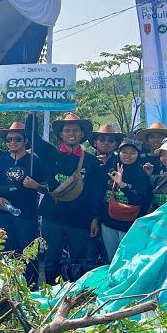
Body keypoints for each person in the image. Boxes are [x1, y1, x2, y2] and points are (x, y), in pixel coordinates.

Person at [33, 113, 99, 283]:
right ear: (61, 134)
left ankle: (74, 297)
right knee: (50, 260)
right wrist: (32, 112)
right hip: (52, 216)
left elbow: (95, 192)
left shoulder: (91, 161)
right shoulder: (50, 154)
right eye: (67, 130)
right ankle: (51, 297)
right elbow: (32, 136)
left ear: (82, 134)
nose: (72, 133)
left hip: (80, 219)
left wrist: (95, 218)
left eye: (76, 130)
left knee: (78, 260)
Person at [0, 122, 50, 282]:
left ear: (25, 141)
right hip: (2, 214)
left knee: (27, 253)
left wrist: (35, 186)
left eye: (17, 139)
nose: (12, 143)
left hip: (27, 215)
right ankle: (6, 289)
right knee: (4, 252)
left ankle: (29, 287)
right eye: (8, 140)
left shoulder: (35, 161)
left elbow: (47, 188)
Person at [99, 138, 151, 258]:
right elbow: (99, 194)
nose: (128, 155)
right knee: (111, 259)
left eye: (133, 152)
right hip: (108, 223)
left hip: (130, 225)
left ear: (138, 155)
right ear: (119, 152)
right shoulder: (109, 169)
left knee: (128, 259)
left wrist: (122, 185)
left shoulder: (141, 174)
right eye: (125, 152)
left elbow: (140, 200)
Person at [85, 124, 124, 263]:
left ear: (116, 144)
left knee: (111, 258)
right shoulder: (86, 160)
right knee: (88, 256)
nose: (106, 143)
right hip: (87, 214)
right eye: (102, 139)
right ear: (95, 142)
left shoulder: (121, 162)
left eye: (111, 140)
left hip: (112, 217)